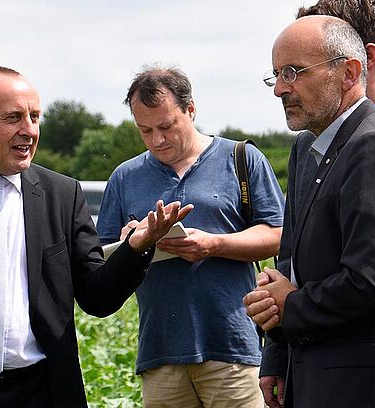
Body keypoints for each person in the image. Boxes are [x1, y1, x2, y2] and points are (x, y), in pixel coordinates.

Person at [0, 66, 192, 408]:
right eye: (13, 117)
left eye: (35, 117)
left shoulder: (62, 195)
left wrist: (136, 246)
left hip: (38, 393)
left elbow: (97, 296)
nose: (29, 130)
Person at [243, 15, 375, 408]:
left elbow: (369, 285)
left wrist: (289, 305)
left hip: (367, 388)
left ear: (349, 72)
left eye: (292, 72)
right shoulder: (325, 148)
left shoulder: (374, 146)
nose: (279, 89)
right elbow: (299, 262)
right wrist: (276, 319)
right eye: (274, 74)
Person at [97, 65, 285, 407]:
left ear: (191, 109)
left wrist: (213, 244)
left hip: (233, 348)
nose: (158, 140)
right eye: (145, 130)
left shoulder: (241, 158)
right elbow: (101, 264)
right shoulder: (125, 177)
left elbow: (278, 233)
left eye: (167, 126)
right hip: (160, 352)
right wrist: (131, 245)